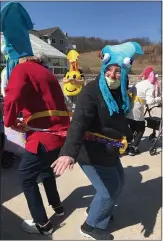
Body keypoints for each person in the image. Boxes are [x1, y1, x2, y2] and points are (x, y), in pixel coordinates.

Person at [51, 42, 144, 240]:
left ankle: (98, 211)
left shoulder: (122, 88)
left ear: (126, 72)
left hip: (110, 149)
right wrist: (68, 152)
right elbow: (78, 123)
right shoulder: (91, 91)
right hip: (91, 151)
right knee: (109, 190)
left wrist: (126, 137)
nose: (112, 75)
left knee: (119, 182)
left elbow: (119, 118)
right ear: (103, 68)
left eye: (118, 71)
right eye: (108, 69)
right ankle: (91, 227)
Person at [2, 2, 70, 235]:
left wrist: (10, 122)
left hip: (43, 138)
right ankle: (58, 207)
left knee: (25, 176)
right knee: (45, 171)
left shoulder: (22, 69)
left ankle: (43, 223)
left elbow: (12, 98)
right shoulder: (46, 72)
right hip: (59, 135)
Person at [126, 66, 161, 156]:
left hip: (129, 109)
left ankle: (127, 145)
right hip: (136, 111)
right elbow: (150, 101)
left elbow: (131, 92)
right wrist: (159, 99)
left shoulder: (139, 83)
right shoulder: (150, 86)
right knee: (141, 128)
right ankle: (133, 148)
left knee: (132, 127)